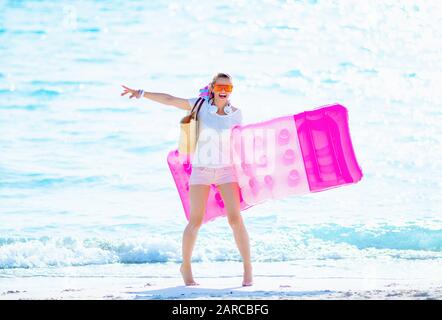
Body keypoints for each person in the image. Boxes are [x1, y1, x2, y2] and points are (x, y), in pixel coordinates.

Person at [121, 73, 253, 286]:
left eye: (228, 88)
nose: (223, 91)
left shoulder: (236, 114)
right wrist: (142, 93)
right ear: (211, 88)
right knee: (196, 220)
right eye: (220, 86)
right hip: (201, 170)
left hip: (226, 171)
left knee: (235, 220)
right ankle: (186, 267)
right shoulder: (199, 105)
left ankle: (248, 268)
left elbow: (242, 144)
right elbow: (171, 100)